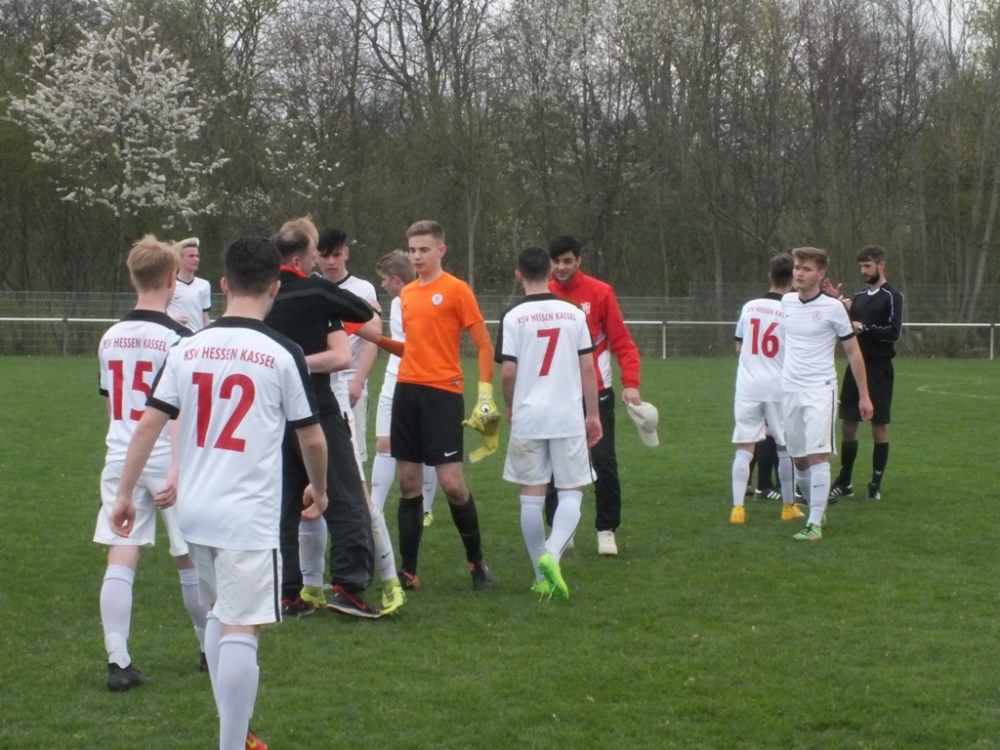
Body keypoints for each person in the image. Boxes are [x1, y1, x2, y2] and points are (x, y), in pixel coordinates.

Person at [110, 235, 329, 750]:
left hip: (196, 509)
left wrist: (123, 492)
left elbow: (148, 424)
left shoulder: (186, 346)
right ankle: (232, 742)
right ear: (274, 288)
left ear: (225, 285)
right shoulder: (283, 352)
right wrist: (319, 491)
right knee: (242, 626)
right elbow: (313, 438)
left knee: (217, 611)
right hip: (246, 514)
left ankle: (233, 733)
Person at [94, 235, 208, 692]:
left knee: (121, 553)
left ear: (132, 277)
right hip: (166, 455)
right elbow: (179, 412)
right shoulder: (179, 339)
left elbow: (111, 406)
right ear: (171, 279)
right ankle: (208, 647)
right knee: (188, 556)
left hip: (121, 454)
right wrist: (179, 467)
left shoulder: (109, 337)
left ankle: (117, 659)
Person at [264, 216, 381, 618]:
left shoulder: (261, 295)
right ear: (300, 259)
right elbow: (362, 312)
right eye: (314, 255)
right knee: (345, 495)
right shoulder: (315, 291)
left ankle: (285, 591)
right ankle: (348, 585)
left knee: (282, 505)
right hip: (316, 406)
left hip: (272, 413)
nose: (319, 262)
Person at [391, 220, 496, 590]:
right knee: (408, 481)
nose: (417, 257)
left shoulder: (456, 289)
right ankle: (409, 572)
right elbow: (414, 349)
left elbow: (484, 344)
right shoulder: (406, 294)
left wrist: (485, 393)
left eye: (424, 249)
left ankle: (476, 562)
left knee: (451, 483)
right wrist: (373, 337)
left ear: (441, 250)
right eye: (412, 250)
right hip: (406, 391)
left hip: (443, 395)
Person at [497, 246, 602, 600]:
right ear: (550, 271)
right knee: (572, 490)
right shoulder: (573, 314)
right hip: (566, 415)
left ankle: (540, 575)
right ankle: (553, 554)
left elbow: (507, 372)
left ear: (519, 275)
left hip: (528, 416)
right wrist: (593, 414)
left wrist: (510, 405)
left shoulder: (512, 316)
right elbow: (588, 368)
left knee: (531, 494)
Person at [547, 235, 642, 556]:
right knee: (555, 463)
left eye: (567, 261)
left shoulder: (600, 292)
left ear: (579, 261)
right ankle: (561, 528)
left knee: (603, 461)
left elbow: (622, 342)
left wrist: (631, 382)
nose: (561, 267)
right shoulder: (544, 294)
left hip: (597, 392)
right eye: (556, 261)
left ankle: (606, 530)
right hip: (556, 393)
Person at [781, 247, 873, 541]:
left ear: (821, 274)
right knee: (799, 459)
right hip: (789, 390)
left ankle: (814, 525)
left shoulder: (833, 308)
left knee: (817, 456)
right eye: (797, 267)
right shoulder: (786, 302)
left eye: (806, 269)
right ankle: (816, 510)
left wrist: (864, 396)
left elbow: (853, 352)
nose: (799, 273)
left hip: (820, 389)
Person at [824, 245, 904, 502]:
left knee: (879, 426)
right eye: (861, 266)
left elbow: (893, 332)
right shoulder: (859, 297)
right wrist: (838, 303)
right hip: (856, 367)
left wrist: (865, 328)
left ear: (881, 265)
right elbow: (849, 325)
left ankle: (875, 484)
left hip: (879, 368)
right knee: (848, 424)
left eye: (867, 266)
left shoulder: (892, 296)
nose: (863, 271)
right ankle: (845, 481)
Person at [729, 253, 802, 524]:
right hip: (778, 387)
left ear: (769, 276)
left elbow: (739, 346)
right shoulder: (792, 310)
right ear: (792, 279)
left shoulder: (750, 307)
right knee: (785, 447)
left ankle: (738, 509)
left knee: (745, 447)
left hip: (747, 385)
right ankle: (788, 507)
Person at [368, 250, 439, 524]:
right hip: (392, 379)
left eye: (385, 279)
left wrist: (373, 334)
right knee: (383, 443)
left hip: (422, 380)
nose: (383, 284)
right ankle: (375, 510)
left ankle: (426, 509)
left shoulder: (420, 300)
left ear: (396, 279)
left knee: (425, 449)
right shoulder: (398, 302)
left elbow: (413, 346)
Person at [167, 238, 212, 331]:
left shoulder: (204, 285)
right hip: (175, 336)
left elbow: (205, 318)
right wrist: (172, 321)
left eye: (197, 256)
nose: (196, 259)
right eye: (191, 256)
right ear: (180, 259)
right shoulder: (169, 284)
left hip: (196, 337)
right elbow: (159, 313)